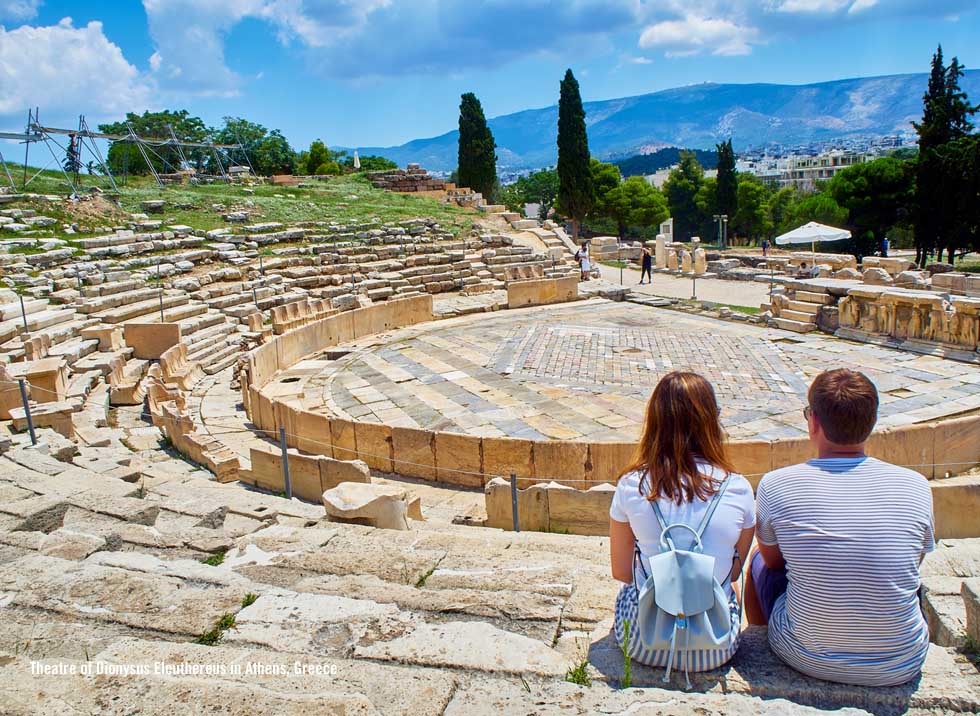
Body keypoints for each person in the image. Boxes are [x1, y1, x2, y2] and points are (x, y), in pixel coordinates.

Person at [744, 369, 935, 687]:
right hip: (901, 661)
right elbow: (913, 564)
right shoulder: (915, 486)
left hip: (803, 655)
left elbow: (775, 564)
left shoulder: (777, 485)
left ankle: (761, 642)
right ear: (871, 423)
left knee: (759, 562)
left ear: (814, 422)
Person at [610, 371, 755, 673]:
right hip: (715, 648)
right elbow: (734, 569)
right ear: (712, 422)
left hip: (643, 642)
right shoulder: (738, 488)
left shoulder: (632, 485)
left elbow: (622, 572)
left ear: (654, 421)